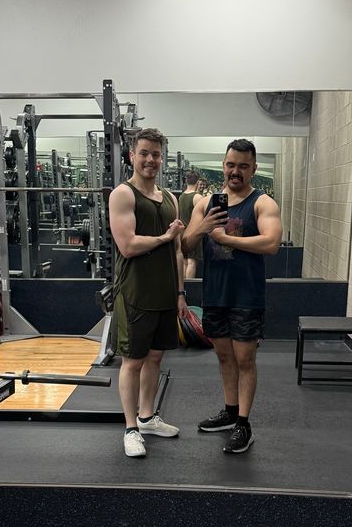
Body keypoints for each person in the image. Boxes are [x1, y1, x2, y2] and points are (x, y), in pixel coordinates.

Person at [181, 139, 282, 454]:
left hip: (246, 296)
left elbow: (271, 244)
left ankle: (244, 424)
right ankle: (229, 410)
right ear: (223, 165)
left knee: (244, 359)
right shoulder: (206, 203)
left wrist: (227, 239)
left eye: (243, 165)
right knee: (223, 356)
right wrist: (204, 228)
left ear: (253, 168)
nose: (235, 171)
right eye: (230, 164)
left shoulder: (262, 203)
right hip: (215, 293)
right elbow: (185, 246)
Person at [108, 128, 186, 459]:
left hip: (166, 293)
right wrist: (164, 239)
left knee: (156, 357)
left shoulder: (169, 198)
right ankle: (130, 428)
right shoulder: (122, 195)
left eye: (155, 154)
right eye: (144, 153)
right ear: (132, 156)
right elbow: (127, 246)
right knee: (133, 361)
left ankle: (148, 416)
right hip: (135, 292)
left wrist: (181, 292)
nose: (150, 159)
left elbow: (179, 251)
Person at [177, 171, 204, 280]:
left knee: (184, 261)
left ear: (186, 181)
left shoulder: (181, 196)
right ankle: (189, 288)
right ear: (197, 182)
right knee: (192, 262)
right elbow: (203, 217)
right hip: (193, 233)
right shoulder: (197, 197)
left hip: (182, 233)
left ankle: (184, 288)